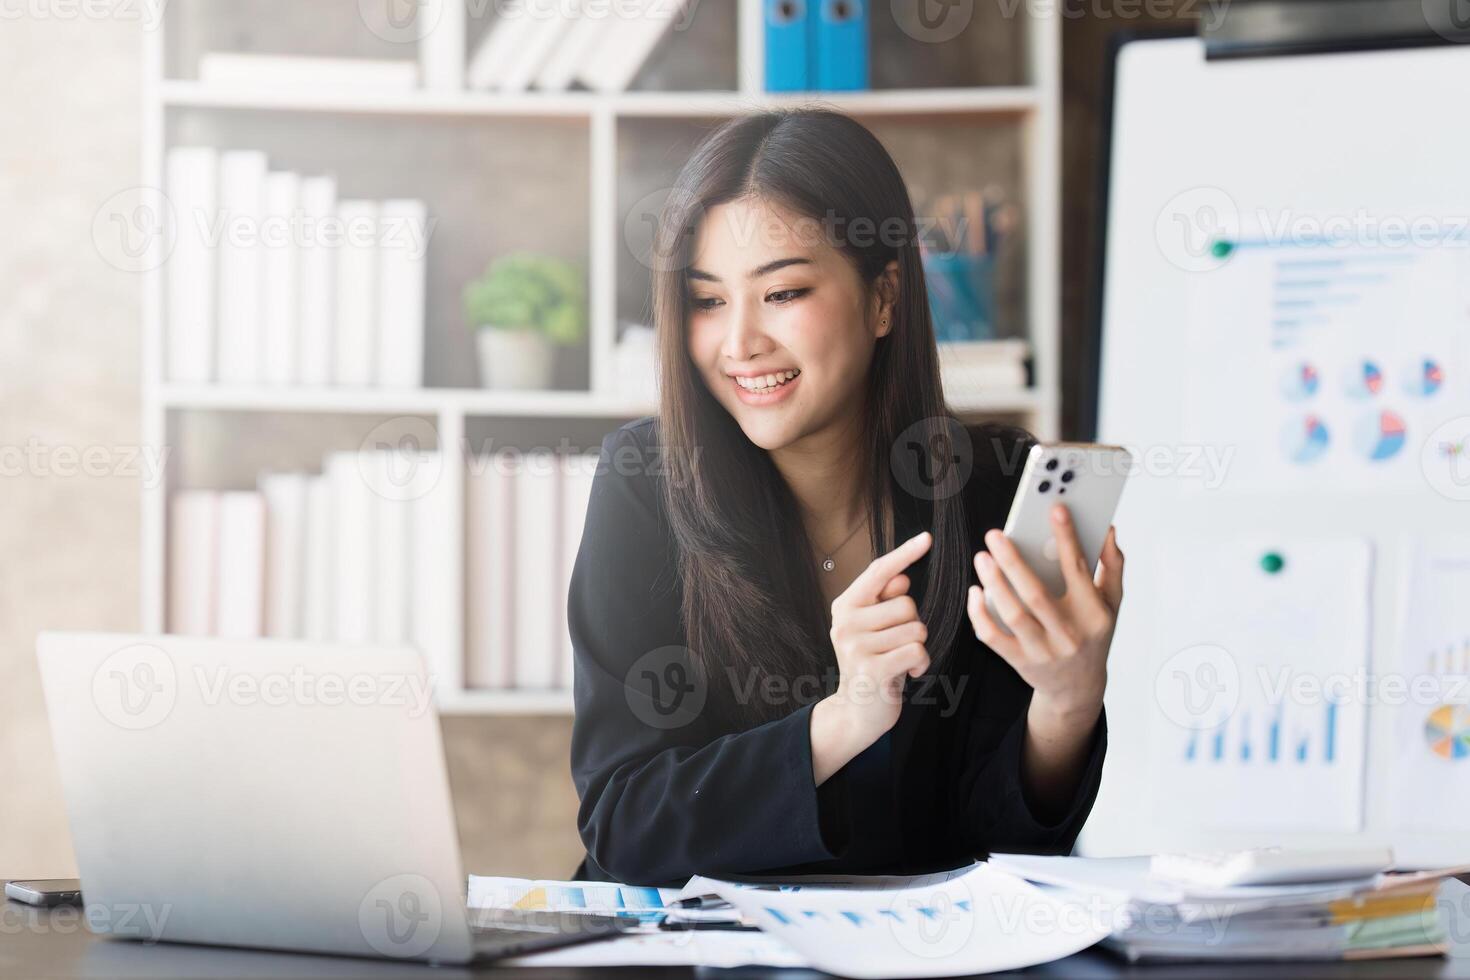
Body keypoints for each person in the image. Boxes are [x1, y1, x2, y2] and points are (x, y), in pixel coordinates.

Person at [567, 108, 1124, 887]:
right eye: (708, 301)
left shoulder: (992, 486)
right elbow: (625, 824)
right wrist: (841, 720)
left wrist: (1067, 702)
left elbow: (1002, 859)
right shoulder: (647, 484)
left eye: (784, 292)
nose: (739, 345)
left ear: (885, 296)